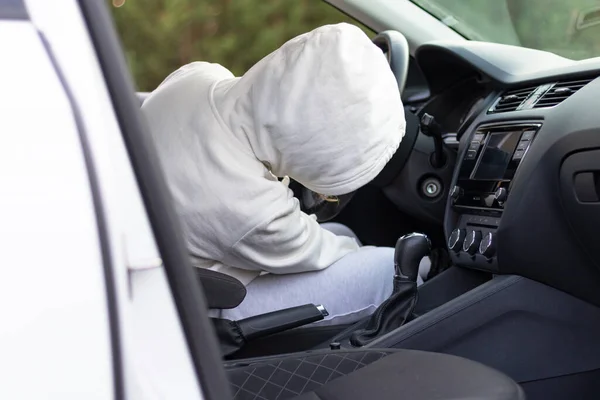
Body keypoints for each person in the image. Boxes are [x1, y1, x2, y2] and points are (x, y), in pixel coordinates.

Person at [142, 23, 426, 326]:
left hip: (166, 261)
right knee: (394, 270)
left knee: (342, 233)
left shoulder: (198, 77)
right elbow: (322, 252)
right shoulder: (252, 208)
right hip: (202, 306)